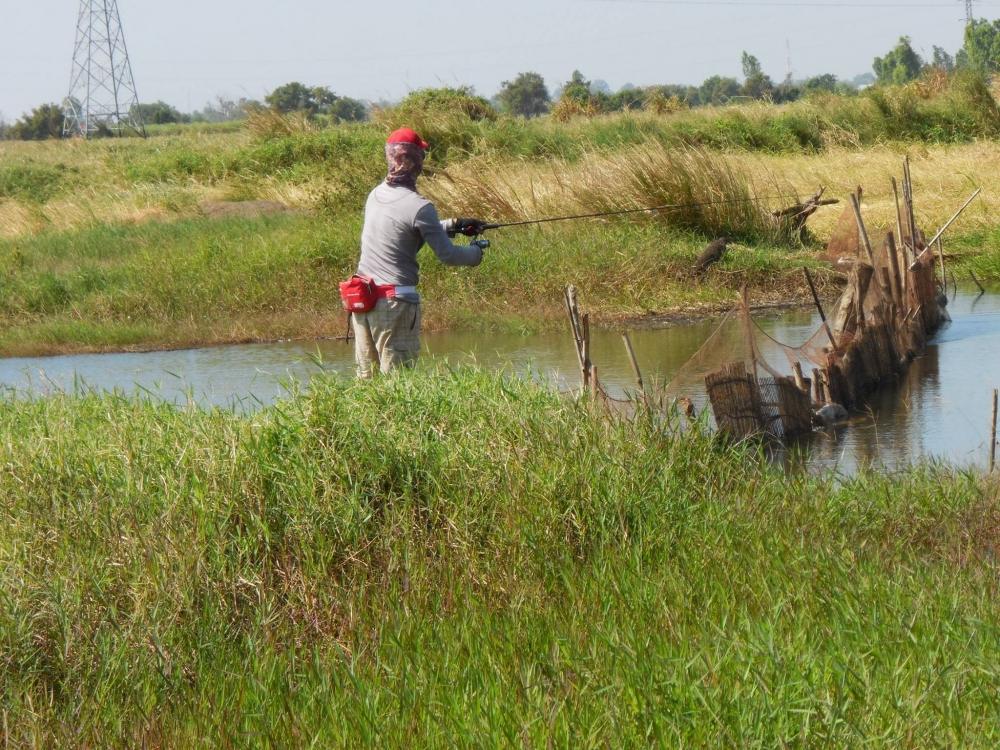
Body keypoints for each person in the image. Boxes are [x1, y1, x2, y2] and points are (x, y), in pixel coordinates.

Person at [350, 127, 487, 378]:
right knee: (399, 383)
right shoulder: (420, 207)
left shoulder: (375, 195)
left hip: (363, 301)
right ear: (414, 161)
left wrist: (453, 224)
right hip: (396, 304)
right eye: (421, 155)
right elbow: (447, 255)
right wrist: (476, 253)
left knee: (367, 384)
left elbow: (402, 230)